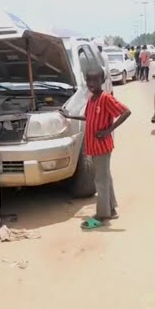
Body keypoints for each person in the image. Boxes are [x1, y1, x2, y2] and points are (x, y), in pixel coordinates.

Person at [60, 68, 131, 229]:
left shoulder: (106, 98)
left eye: (95, 80)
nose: (91, 84)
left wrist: (108, 130)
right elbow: (88, 117)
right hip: (94, 146)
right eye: (89, 80)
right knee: (106, 177)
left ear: (102, 80)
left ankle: (102, 215)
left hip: (102, 146)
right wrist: (69, 116)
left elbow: (126, 112)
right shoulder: (92, 98)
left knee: (100, 181)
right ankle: (111, 208)